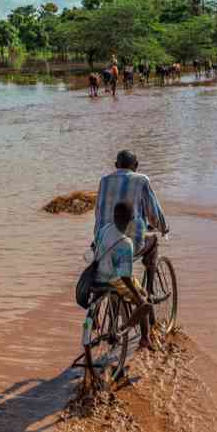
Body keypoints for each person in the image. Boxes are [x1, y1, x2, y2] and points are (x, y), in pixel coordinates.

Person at [93, 150, 169, 331]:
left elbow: (98, 213)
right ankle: (148, 291)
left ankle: (99, 314)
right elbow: (153, 214)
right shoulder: (141, 180)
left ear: (116, 165)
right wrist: (163, 228)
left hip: (101, 241)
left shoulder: (104, 181)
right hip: (127, 243)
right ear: (135, 166)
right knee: (153, 243)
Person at [94, 201, 155, 350]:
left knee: (138, 293)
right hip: (114, 279)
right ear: (131, 219)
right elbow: (125, 276)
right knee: (144, 300)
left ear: (114, 216)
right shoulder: (126, 243)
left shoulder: (104, 229)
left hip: (97, 274)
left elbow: (95, 246)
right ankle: (135, 335)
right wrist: (138, 296)